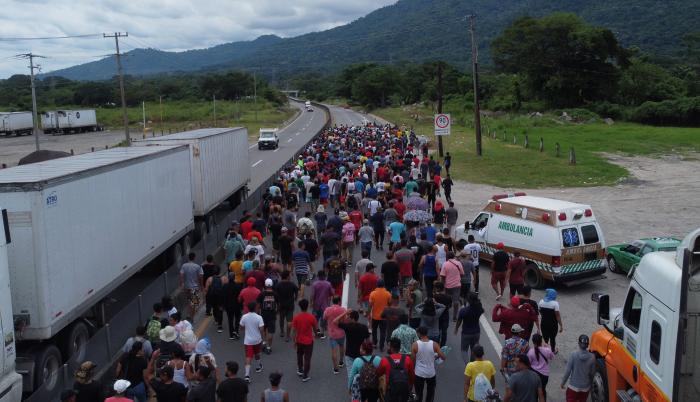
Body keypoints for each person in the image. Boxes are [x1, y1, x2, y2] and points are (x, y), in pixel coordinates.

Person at [335, 309, 371, 383]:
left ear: (352, 318)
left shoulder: (348, 327)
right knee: (360, 373)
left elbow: (335, 321)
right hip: (361, 354)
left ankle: (352, 389)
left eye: (349, 317)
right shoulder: (364, 327)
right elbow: (368, 341)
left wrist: (345, 312)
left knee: (351, 374)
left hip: (349, 354)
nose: (347, 318)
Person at [411, 326, 446, 402]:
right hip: (431, 373)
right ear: (427, 333)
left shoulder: (415, 345)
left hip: (419, 372)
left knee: (418, 394)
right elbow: (443, 357)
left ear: (419, 334)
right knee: (430, 393)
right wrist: (435, 356)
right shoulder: (434, 344)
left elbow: (413, 360)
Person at [377, 337, 415, 402]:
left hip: (390, 391)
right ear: (400, 348)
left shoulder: (385, 360)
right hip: (404, 390)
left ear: (391, 347)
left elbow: (378, 374)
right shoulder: (407, 359)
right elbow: (412, 376)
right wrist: (410, 387)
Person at [290, 299, 319, 382]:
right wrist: (316, 335)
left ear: (300, 307)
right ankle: (305, 375)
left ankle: (300, 369)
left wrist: (294, 341)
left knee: (299, 355)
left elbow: (294, 331)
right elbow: (315, 328)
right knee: (307, 358)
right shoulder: (311, 317)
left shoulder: (296, 317)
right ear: (307, 306)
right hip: (309, 341)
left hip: (299, 340)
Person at [560, 335, 596, 402]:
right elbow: (592, 373)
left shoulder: (573, 355)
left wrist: (563, 383)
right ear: (588, 345)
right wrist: (590, 385)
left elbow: (567, 371)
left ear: (579, 343)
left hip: (573, 387)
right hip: (585, 387)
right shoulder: (592, 357)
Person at [455, 292, 484, 364]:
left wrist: (456, 329)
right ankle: (472, 364)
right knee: (474, 349)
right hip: (476, 332)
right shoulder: (479, 309)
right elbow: (481, 308)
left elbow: (459, 320)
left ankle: (467, 365)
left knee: (464, 350)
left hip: (466, 333)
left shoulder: (464, 310)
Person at [240, 301, 265, 383]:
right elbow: (261, 329)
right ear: (255, 308)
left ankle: (247, 375)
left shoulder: (244, 317)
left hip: (248, 341)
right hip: (257, 339)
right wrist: (262, 338)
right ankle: (258, 366)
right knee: (257, 353)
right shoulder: (259, 317)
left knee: (248, 357)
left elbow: (241, 327)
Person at [324, 295, 347, 374]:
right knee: (341, 346)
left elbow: (324, 318)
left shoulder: (328, 309)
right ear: (339, 301)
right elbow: (345, 320)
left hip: (332, 333)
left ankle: (335, 368)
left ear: (332, 301)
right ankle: (341, 362)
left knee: (334, 351)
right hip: (341, 332)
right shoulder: (343, 310)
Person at [528, 334, 554, 401]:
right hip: (544, 375)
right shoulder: (547, 350)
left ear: (533, 342)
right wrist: (548, 346)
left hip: (534, 374)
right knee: (542, 390)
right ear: (541, 341)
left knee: (534, 392)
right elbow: (552, 357)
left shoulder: (530, 352)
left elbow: (528, 364)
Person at [439, 252, 464, 321]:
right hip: (457, 285)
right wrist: (458, 278)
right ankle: (455, 316)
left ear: (447, 257)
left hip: (447, 286)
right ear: (453, 256)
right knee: (456, 301)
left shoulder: (445, 264)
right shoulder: (458, 263)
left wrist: (442, 286)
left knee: (447, 300)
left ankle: (445, 312)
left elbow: (442, 276)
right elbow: (462, 273)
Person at [368, 279, 392, 351]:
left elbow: (370, 305)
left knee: (374, 330)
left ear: (377, 285)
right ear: (384, 285)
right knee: (383, 332)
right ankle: (381, 346)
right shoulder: (388, 294)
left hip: (375, 316)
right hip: (384, 317)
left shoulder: (373, 293)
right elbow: (390, 304)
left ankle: (374, 343)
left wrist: (369, 313)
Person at [275, 271, 299, 341]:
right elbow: (296, 290)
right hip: (290, 305)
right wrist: (296, 298)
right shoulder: (292, 284)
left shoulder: (278, 285)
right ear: (287, 276)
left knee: (281, 319)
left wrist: (277, 303)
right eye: (289, 275)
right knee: (289, 321)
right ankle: (288, 336)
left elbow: (275, 295)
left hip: (281, 305)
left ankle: (282, 331)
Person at [180, 252, 203, 321]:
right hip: (194, 287)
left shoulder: (184, 266)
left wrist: (182, 284)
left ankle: (188, 314)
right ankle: (192, 317)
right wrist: (201, 286)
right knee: (194, 303)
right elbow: (201, 276)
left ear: (188, 258)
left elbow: (181, 274)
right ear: (194, 257)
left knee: (188, 301)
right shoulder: (197, 266)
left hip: (187, 287)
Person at [539, 289, 563, 354]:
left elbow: (540, 311)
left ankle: (545, 351)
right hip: (553, 324)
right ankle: (553, 350)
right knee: (552, 338)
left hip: (543, 323)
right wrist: (561, 325)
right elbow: (557, 316)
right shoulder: (555, 304)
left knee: (545, 338)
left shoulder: (541, 302)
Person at [310, 270, 334, 339]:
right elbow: (332, 293)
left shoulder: (314, 284)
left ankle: (316, 332)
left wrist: (311, 302)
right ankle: (322, 333)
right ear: (325, 276)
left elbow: (312, 295)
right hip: (325, 305)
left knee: (315, 319)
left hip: (316, 305)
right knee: (324, 319)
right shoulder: (328, 284)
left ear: (318, 276)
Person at [258, 279, 279, 354]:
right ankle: (268, 347)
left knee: (263, 329)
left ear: (265, 285)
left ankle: (263, 342)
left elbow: (258, 304)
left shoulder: (262, 294)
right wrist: (277, 312)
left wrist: (258, 313)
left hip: (263, 315)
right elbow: (278, 304)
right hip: (272, 315)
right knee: (271, 331)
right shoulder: (275, 294)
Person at [223, 267, 244, 341]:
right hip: (237, 305)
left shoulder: (225, 286)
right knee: (237, 318)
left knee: (230, 319)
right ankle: (236, 330)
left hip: (228, 306)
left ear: (228, 278)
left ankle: (231, 335)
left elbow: (224, 297)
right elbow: (240, 297)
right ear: (234, 277)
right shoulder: (238, 286)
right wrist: (241, 306)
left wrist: (224, 306)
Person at [431, 282, 452, 346]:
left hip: (437, 315)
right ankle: (443, 345)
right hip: (445, 315)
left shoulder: (435, 296)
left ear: (437, 288)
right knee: (444, 331)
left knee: (437, 330)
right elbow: (450, 306)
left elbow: (433, 306)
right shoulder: (448, 296)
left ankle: (436, 343)